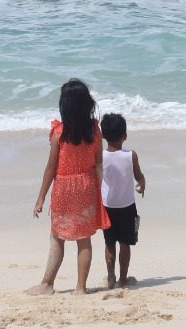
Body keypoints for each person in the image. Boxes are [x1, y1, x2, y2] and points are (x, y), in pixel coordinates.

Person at [27, 79, 110, 295]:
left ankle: (47, 284)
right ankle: (80, 288)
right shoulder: (94, 131)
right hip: (87, 186)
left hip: (64, 188)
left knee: (57, 236)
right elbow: (99, 164)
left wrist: (41, 198)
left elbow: (51, 167)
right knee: (84, 239)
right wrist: (99, 192)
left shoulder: (59, 132)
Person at [99, 111, 146, 289]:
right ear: (124, 135)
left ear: (103, 135)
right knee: (125, 244)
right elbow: (139, 176)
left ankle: (111, 277)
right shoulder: (131, 155)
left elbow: (97, 178)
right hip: (127, 206)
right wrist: (142, 185)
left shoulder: (100, 157)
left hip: (107, 206)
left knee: (109, 243)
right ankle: (123, 279)